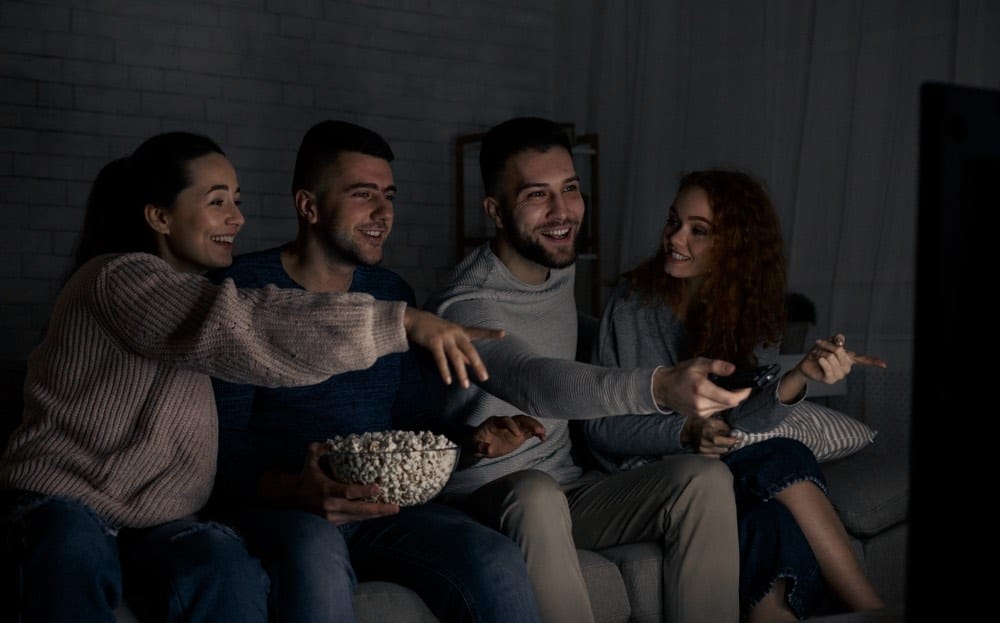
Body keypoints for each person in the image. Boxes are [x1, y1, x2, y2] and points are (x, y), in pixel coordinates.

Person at [0, 131, 498, 623]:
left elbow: (254, 339)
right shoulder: (117, 279)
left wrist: (466, 440)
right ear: (160, 217)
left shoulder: (203, 293)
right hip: (64, 502)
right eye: (217, 202)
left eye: (236, 201)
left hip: (161, 520)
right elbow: (241, 329)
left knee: (228, 572)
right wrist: (400, 322)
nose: (237, 218)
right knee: (68, 553)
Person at [205, 120, 542, 623]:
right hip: (288, 509)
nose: (383, 213)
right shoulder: (239, 288)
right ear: (308, 206)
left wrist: (472, 441)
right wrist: (296, 490)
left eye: (389, 195)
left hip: (383, 510)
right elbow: (222, 447)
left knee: (491, 555)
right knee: (316, 551)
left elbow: (410, 420)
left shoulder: (391, 292)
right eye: (363, 194)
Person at [423, 116, 751, 623]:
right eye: (537, 195)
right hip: (484, 500)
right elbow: (533, 379)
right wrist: (659, 387)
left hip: (567, 490)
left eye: (570, 188)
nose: (562, 211)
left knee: (702, 478)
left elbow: (570, 335)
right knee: (534, 493)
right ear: (495, 211)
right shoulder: (464, 304)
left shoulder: (555, 267)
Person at [584, 169, 887, 621]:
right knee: (782, 454)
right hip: (646, 471)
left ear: (734, 247)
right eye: (674, 222)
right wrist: (687, 432)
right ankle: (875, 610)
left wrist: (800, 375)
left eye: (699, 231)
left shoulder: (750, 310)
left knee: (768, 523)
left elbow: (744, 421)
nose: (675, 238)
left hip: (720, 465)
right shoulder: (633, 303)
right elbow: (600, 428)